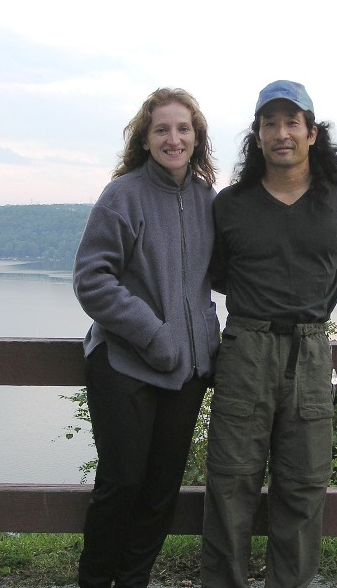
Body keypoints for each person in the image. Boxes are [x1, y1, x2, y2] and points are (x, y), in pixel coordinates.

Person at [201, 80, 337, 588]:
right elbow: (214, 275)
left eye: (291, 123)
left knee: (303, 487)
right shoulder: (230, 204)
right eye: (269, 124)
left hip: (311, 350)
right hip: (246, 348)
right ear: (257, 136)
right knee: (230, 484)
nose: (281, 133)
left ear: (312, 133)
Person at [73, 87, 220, 588]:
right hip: (125, 365)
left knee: (161, 493)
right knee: (122, 485)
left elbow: (217, 275)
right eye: (162, 129)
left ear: (197, 137)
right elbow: (92, 280)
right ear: (145, 137)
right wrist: (155, 335)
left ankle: (132, 581)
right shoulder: (124, 195)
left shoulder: (206, 199)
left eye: (183, 129)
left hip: (184, 373)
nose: (173, 138)